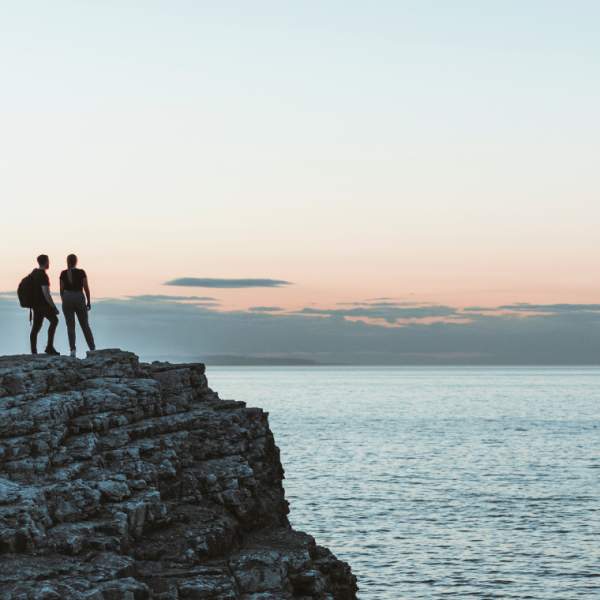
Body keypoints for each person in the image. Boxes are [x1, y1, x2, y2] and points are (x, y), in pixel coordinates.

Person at [60, 254, 96, 358]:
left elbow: (61, 289)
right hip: (79, 297)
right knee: (85, 325)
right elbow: (86, 288)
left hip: (67, 297)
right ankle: (92, 348)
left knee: (70, 326)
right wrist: (88, 301)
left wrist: (64, 300)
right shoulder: (81, 272)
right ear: (76, 261)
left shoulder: (63, 273)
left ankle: (72, 350)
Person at [30, 254, 60, 355]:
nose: (49, 263)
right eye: (48, 261)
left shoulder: (34, 273)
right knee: (54, 321)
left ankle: (34, 352)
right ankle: (49, 347)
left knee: (35, 328)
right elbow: (46, 294)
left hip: (35, 305)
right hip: (43, 305)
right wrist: (54, 307)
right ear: (46, 262)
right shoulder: (43, 275)